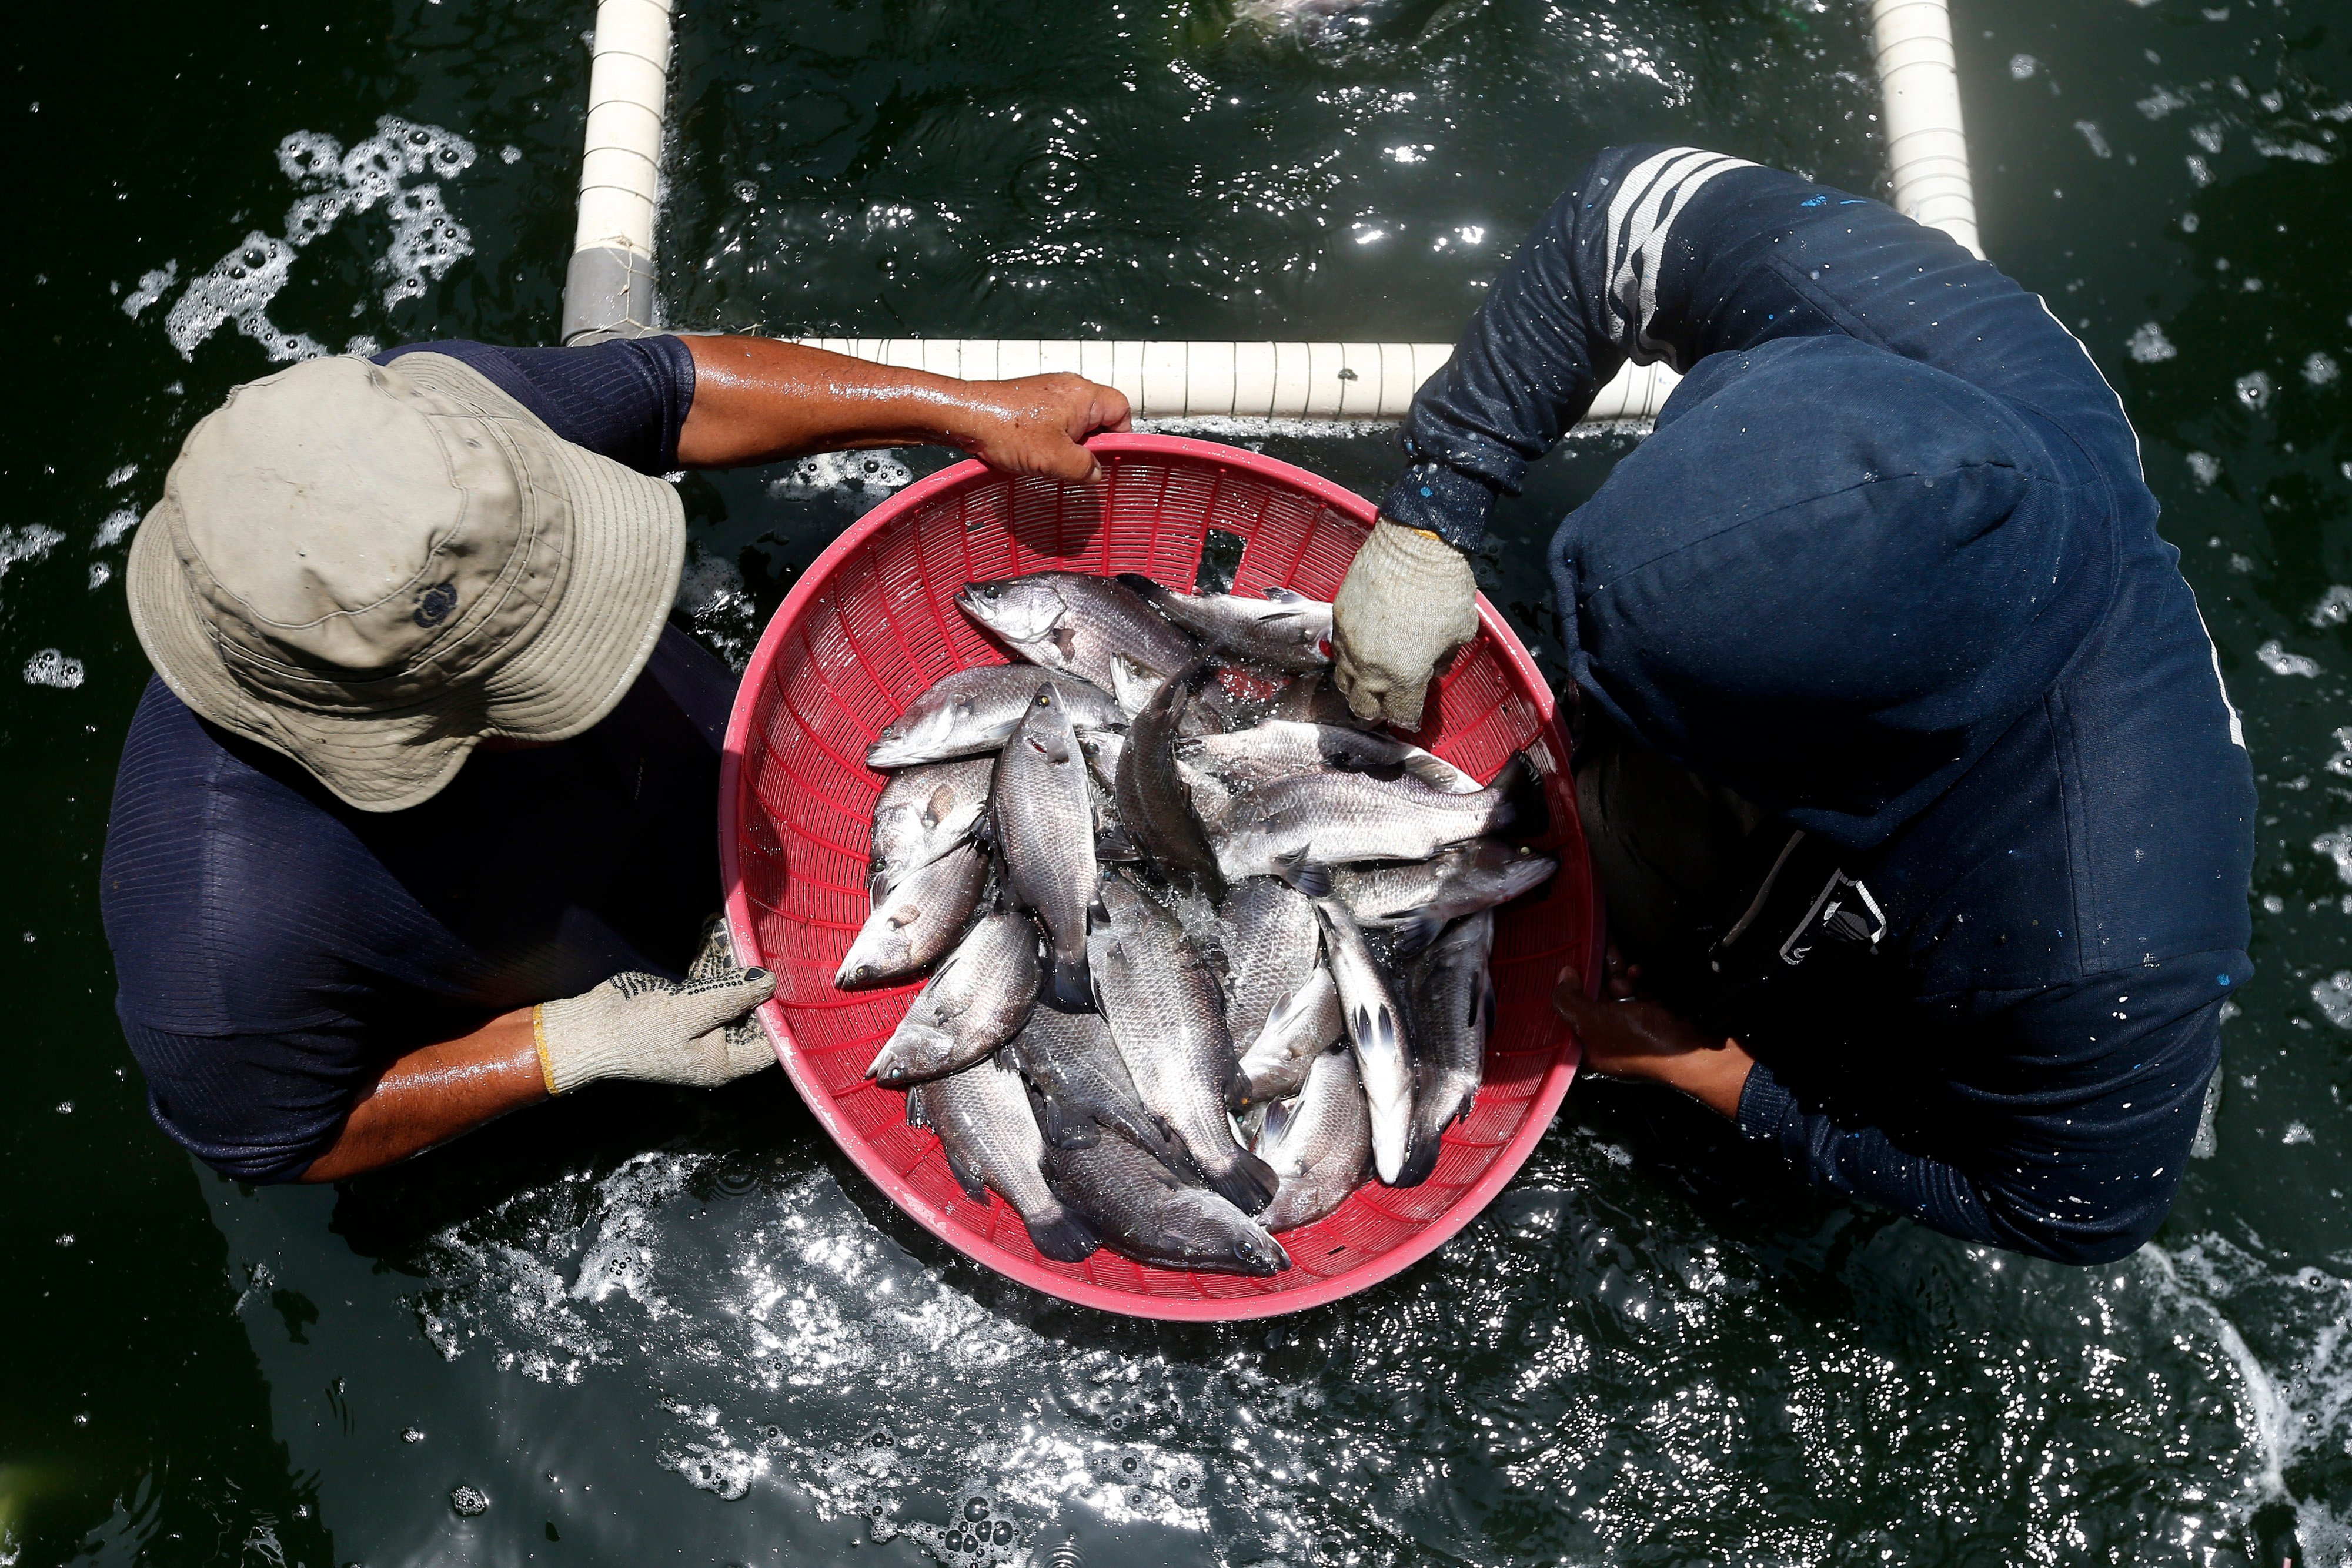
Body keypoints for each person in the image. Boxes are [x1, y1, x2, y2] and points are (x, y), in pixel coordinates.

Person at [1328, 145, 2255, 1265]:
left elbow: (2077, 1213)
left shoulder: (2104, 937)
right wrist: (1438, 506)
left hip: (1916, 920)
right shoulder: (1895, 312)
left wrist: (1722, 1080)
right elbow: (1615, 210)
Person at [101, 335, 1130, 1183]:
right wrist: (563, 1051)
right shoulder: (216, 933)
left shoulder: (434, 456)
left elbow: (667, 392)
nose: (590, 663)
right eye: (527, 672)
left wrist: (957, 405)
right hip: (646, 1002)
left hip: (804, 813)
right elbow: (280, 1141)